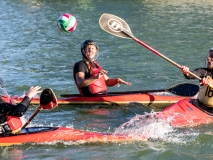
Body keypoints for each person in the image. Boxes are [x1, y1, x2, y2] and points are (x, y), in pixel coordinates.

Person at [181, 48, 213, 113]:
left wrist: (211, 82)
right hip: (198, 104)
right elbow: (192, 75)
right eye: (209, 55)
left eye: (212, 56)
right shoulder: (204, 71)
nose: (209, 58)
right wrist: (186, 72)